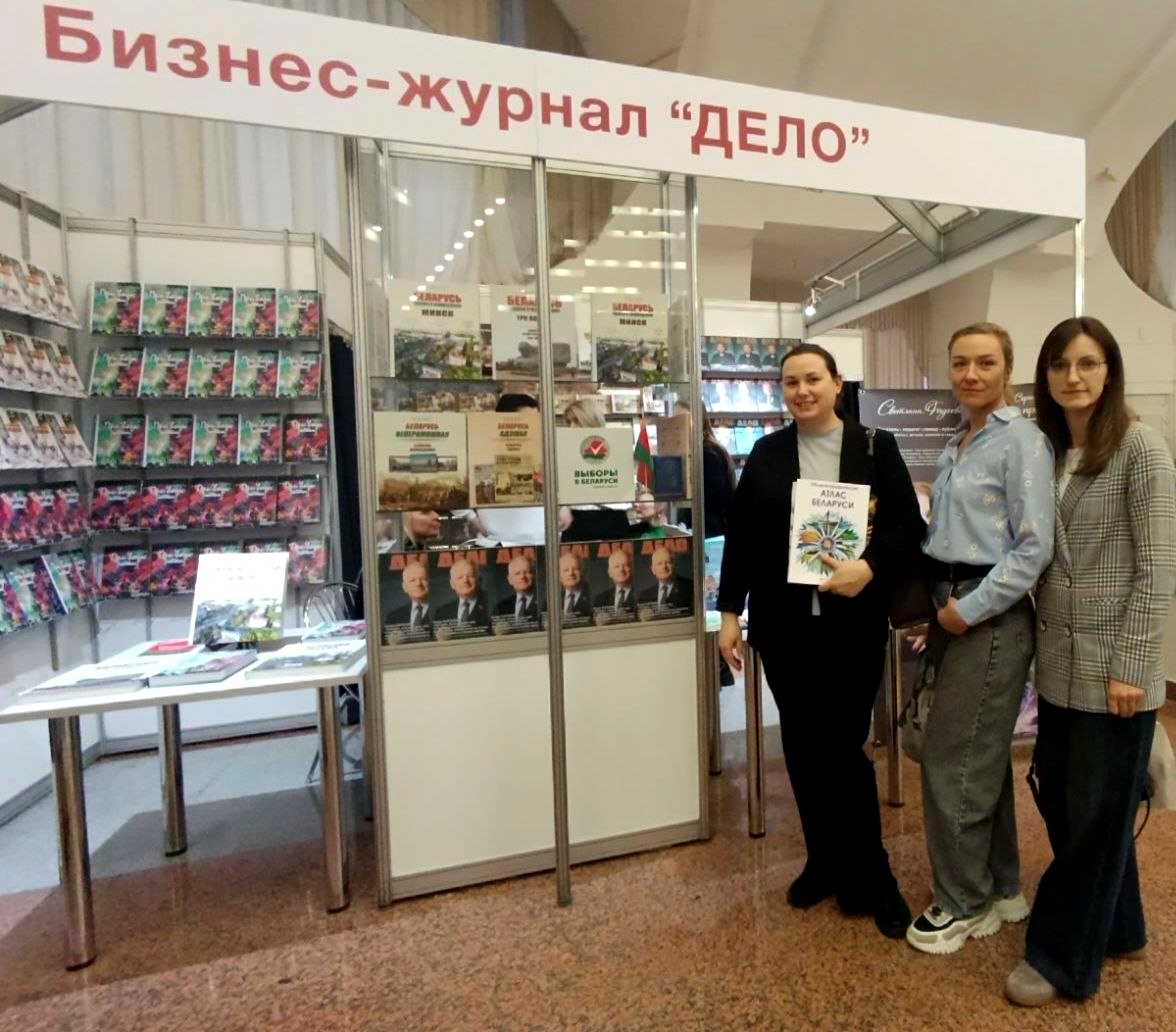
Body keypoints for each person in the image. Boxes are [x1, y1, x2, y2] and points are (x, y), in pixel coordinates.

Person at [717, 342, 925, 940]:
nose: (802, 391)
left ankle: (875, 876)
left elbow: (906, 526)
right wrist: (729, 613)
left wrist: (869, 566)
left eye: (813, 379)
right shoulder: (767, 453)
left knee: (844, 748)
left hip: (851, 626)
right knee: (804, 749)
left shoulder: (874, 447)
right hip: (785, 628)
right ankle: (823, 861)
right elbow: (743, 537)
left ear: (837, 383)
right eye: (791, 382)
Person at [1003, 317, 1176, 1006]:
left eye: (1087, 363)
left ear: (1110, 370)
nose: (1072, 377)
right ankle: (1121, 927)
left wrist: (1134, 664)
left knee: (1094, 819)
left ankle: (1060, 958)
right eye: (1059, 365)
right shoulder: (1045, 451)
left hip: (1115, 669)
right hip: (1059, 664)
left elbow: (1157, 570)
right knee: (1070, 805)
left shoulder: (1140, 448)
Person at [905, 322, 1055, 956]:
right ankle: (1001, 889)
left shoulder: (1022, 441)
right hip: (951, 609)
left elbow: (1034, 548)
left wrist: (967, 610)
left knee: (952, 762)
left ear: (1007, 369)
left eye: (985, 363)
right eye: (960, 362)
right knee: (981, 760)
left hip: (988, 617)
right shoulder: (957, 443)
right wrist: (933, 607)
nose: (971, 374)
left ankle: (961, 903)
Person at [561, 397, 632, 542]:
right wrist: (563, 505)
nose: (572, 427)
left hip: (612, 520)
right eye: (569, 422)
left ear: (590, 419)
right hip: (578, 521)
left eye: (576, 420)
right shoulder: (564, 452)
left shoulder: (617, 447)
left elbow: (626, 490)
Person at [385, 559, 434, 642]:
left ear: (429, 583)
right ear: (404, 587)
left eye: (423, 579)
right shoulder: (393, 617)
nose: (418, 584)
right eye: (412, 580)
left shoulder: (442, 613)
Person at [436, 558, 491, 632]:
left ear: (478, 580)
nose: (465, 580)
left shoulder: (491, 606)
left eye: (470, 576)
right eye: (460, 577)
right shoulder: (441, 612)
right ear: (452, 584)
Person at [639, 544, 692, 610]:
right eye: (659, 563)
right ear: (653, 570)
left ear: (675, 566)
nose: (664, 567)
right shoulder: (644, 596)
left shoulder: (691, 588)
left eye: (668, 562)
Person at [593, 548, 638, 619]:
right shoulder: (600, 599)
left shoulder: (643, 596)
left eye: (625, 565)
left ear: (632, 569)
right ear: (610, 572)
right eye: (617, 566)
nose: (621, 570)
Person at [495, 554, 539, 622]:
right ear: (510, 580)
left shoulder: (545, 602)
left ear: (534, 575)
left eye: (527, 572)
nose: (522, 577)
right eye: (517, 573)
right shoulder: (501, 607)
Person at [558, 551, 593, 621]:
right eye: (566, 570)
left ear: (582, 572)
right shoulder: (552, 602)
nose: (571, 573)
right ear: (559, 576)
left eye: (575, 569)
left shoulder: (595, 598)